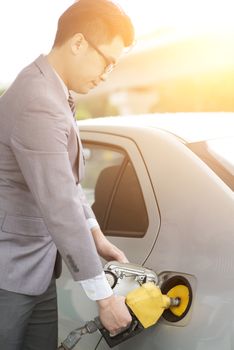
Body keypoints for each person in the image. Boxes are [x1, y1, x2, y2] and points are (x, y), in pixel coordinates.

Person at [0, 1, 135, 349]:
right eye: (108, 61)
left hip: (37, 269)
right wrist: (104, 299)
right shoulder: (38, 99)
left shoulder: (54, 91)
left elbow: (70, 184)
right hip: (8, 273)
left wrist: (97, 236)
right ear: (78, 43)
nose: (107, 75)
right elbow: (59, 201)